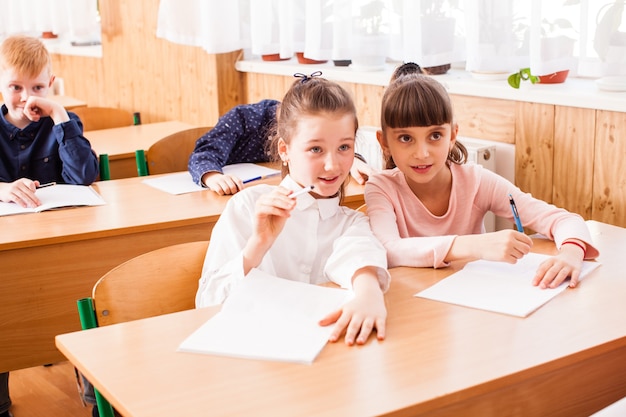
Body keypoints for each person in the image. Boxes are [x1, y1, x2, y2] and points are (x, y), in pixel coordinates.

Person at [196, 73, 390, 346]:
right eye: (315, 149)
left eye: (344, 147)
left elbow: (360, 262)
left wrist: (369, 294)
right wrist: (258, 244)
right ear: (285, 150)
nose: (333, 165)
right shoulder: (246, 207)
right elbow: (207, 304)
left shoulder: (352, 223)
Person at [364, 67, 599, 290]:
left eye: (435, 135)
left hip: (473, 304)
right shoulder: (381, 188)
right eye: (406, 138)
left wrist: (571, 252)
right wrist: (476, 245)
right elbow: (388, 250)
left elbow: (564, 220)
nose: (422, 153)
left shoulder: (475, 181)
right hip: (411, 305)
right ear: (384, 142)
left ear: (453, 135)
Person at [0, 35, 99, 417]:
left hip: (60, 240)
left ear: (51, 83)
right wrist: (5, 189)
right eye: (16, 87)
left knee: (85, 293)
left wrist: (59, 116)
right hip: (8, 245)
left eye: (38, 87)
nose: (27, 98)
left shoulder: (64, 122)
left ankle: (96, 392)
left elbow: (84, 176)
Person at [188, 96, 376, 196]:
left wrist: (354, 162)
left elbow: (333, 144)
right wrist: (212, 177)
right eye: (315, 147)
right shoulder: (243, 118)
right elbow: (205, 152)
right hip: (235, 194)